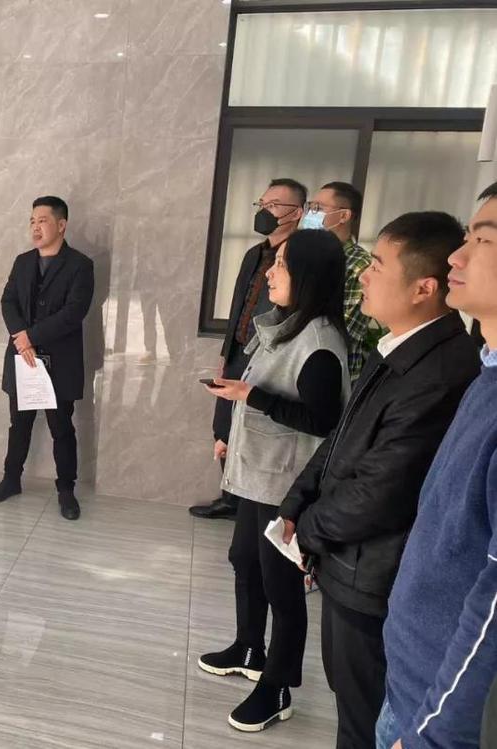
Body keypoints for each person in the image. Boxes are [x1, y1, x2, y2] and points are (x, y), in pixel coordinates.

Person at [278, 212, 480, 749]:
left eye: (378, 265)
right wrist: (296, 504)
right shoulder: (397, 347)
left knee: (363, 718)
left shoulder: (442, 373)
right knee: (351, 703)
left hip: (372, 576)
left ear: (423, 288)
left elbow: (382, 490)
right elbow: (341, 439)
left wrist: (309, 532)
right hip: (348, 562)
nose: (363, 275)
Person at [197, 229, 350, 732]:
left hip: (285, 485)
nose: (269, 273)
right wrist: (239, 402)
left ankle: (277, 687)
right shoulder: (287, 326)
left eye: (280, 264)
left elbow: (324, 421)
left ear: (307, 275)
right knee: (244, 560)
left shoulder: (319, 343)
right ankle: (248, 647)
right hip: (259, 475)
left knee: (282, 588)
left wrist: (251, 396)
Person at [376, 183, 497, 749]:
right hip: (412, 682)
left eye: (483, 240)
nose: (457, 257)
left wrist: (434, 734)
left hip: (436, 716)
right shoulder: (486, 376)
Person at [189, 178, 305, 520]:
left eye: (274, 205)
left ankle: (254, 503)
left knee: (254, 427)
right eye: (262, 204)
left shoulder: (299, 257)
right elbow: (238, 306)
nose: (265, 211)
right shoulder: (254, 254)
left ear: (297, 212)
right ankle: (231, 498)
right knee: (224, 423)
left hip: (270, 355)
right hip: (240, 350)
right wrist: (226, 353)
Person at [0, 196, 94, 521]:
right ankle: (11, 480)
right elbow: (8, 302)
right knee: (19, 424)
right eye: (32, 221)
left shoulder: (80, 265)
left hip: (60, 361)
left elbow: (74, 312)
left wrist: (31, 337)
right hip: (23, 357)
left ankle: (66, 490)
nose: (35, 227)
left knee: (62, 428)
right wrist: (22, 339)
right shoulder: (22, 262)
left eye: (42, 220)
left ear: (62, 225)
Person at [300, 181, 376, 380]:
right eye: (311, 207)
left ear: (344, 215)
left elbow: (343, 329)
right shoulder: (309, 255)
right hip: (297, 363)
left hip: (332, 372)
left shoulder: (359, 265)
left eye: (319, 208)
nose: (312, 213)